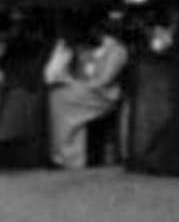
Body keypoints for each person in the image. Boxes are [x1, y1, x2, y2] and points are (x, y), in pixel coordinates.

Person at [43, 9, 129, 168]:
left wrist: (73, 83)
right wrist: (63, 51)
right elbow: (50, 75)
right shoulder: (73, 46)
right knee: (57, 96)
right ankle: (68, 156)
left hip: (104, 96)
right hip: (81, 91)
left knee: (61, 98)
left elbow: (103, 81)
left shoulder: (116, 50)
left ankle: (68, 156)